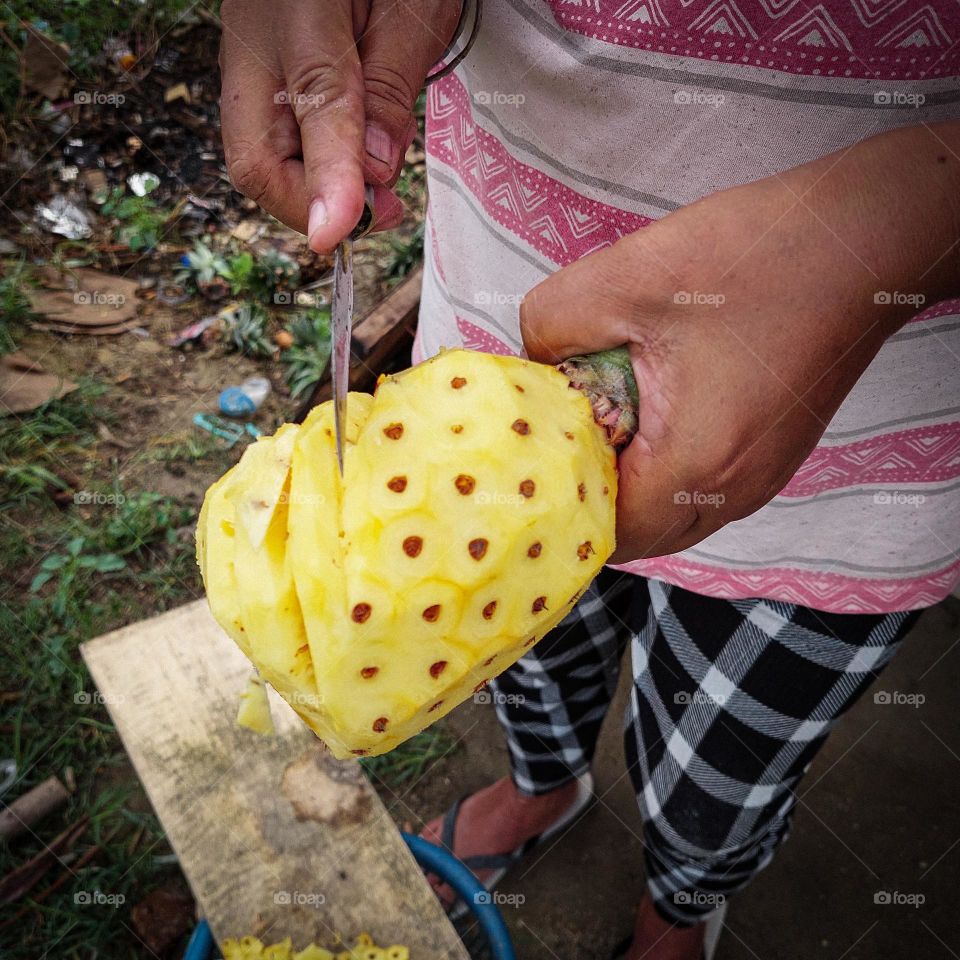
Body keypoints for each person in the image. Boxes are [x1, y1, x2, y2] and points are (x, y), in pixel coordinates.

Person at [219, 1, 960, 956]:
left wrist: (895, 219)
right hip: (483, 417)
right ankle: (546, 785)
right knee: (530, 669)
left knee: (723, 766)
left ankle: (682, 902)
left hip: (849, 478)